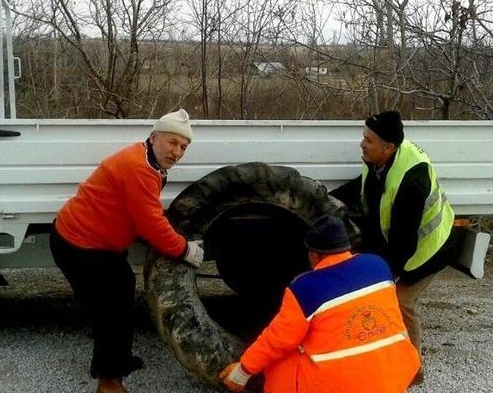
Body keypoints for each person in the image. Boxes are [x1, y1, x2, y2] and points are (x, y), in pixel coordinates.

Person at [50, 108, 205, 393]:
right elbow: (151, 224)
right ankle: (108, 382)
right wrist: (185, 250)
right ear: (154, 137)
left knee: (121, 292)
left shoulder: (147, 159)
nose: (178, 152)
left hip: (94, 242)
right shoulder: (139, 168)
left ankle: (118, 359)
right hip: (79, 244)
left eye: (183, 147)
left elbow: (142, 215)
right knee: (110, 309)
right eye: (173, 143)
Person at [219, 215, 419, 393]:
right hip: (395, 374)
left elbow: (277, 339)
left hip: (344, 386)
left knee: (282, 360)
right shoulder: (379, 266)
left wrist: (242, 371)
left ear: (313, 254)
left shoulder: (306, 289)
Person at [329, 110, 457, 381]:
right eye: (363, 137)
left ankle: (414, 368)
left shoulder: (412, 179)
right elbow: (360, 187)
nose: (362, 143)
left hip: (428, 248)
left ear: (388, 147)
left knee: (401, 300)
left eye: (369, 140)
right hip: (399, 241)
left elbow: (404, 243)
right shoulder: (377, 160)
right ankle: (382, 352)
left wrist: (388, 277)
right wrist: (326, 200)